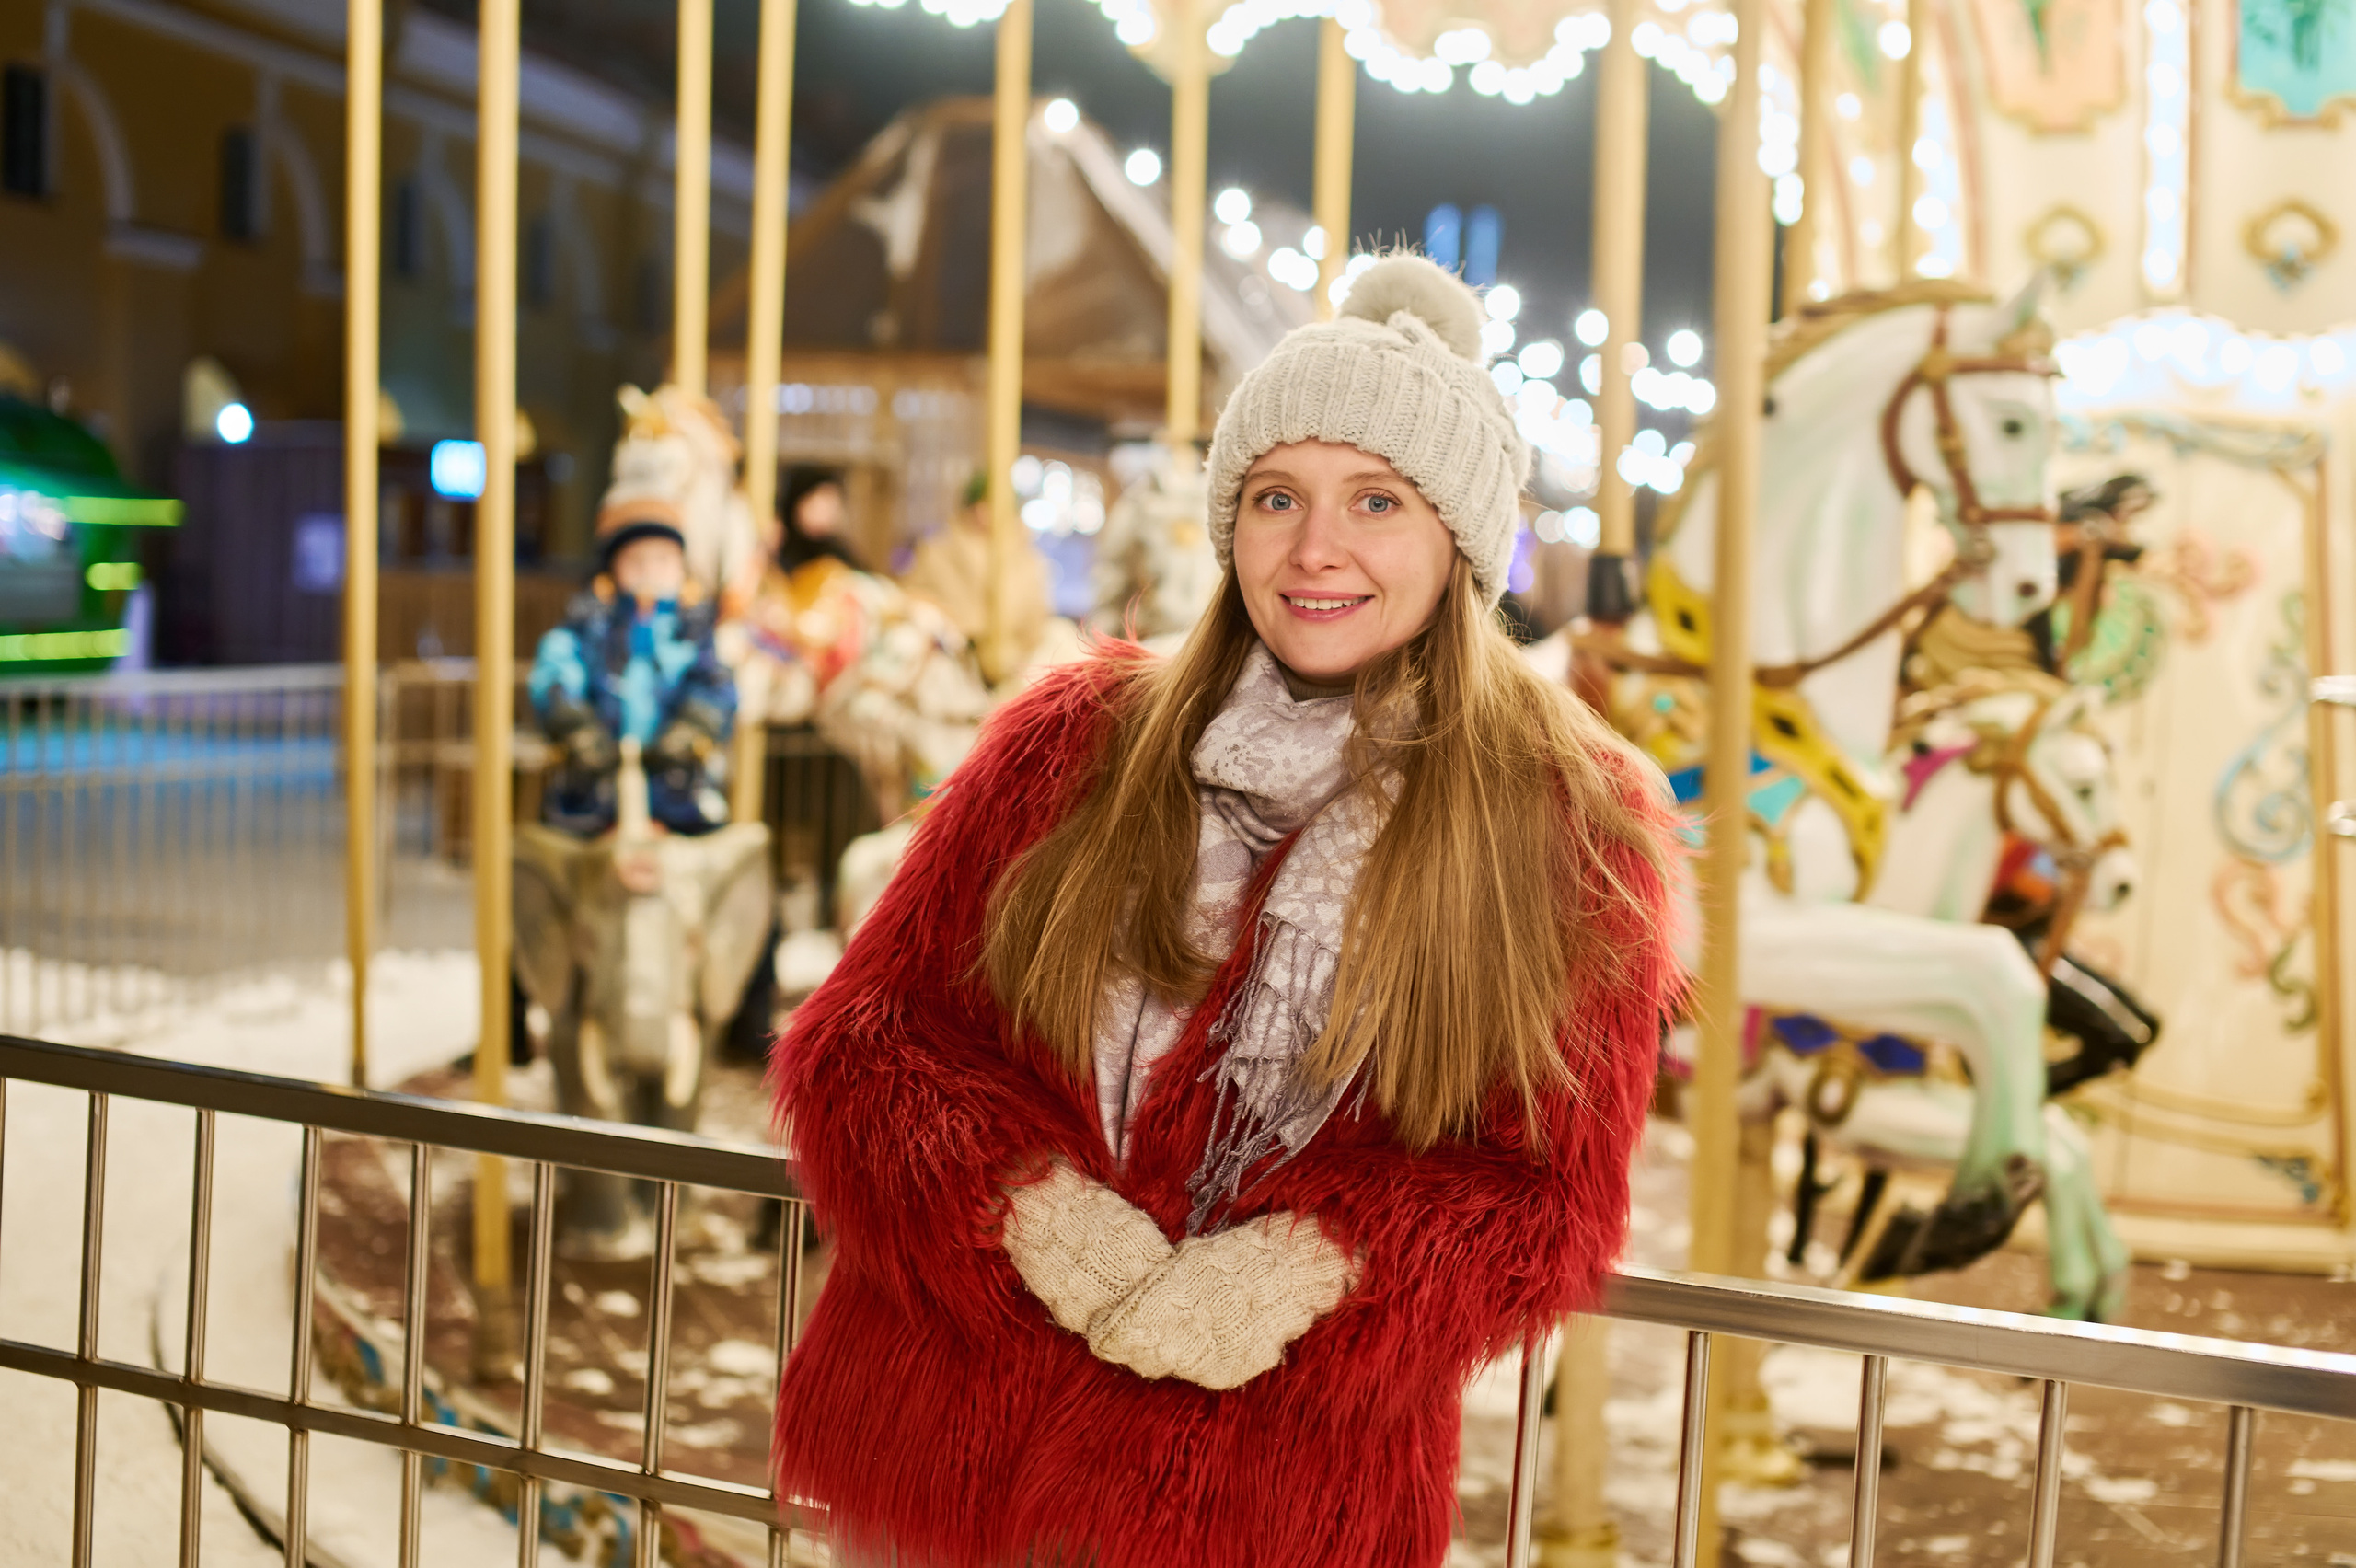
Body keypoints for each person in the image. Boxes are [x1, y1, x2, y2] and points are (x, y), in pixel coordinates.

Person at [768, 256, 1682, 1567]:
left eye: (1377, 500)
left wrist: (1309, 1271)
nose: (1317, 548)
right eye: (1275, 497)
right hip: (959, 1453)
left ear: (1460, 539)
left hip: (1262, 1496)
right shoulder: (1071, 742)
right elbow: (862, 1043)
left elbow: (1547, 1199)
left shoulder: (1567, 827)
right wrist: (1024, 1206)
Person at [529, 503, 736, 836]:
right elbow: (555, 672)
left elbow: (715, 685)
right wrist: (574, 725)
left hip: (679, 794)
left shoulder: (695, 630)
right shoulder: (588, 624)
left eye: (663, 560)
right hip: (595, 791)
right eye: (636, 560)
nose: (650, 571)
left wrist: (693, 728)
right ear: (612, 569)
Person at [901, 469, 1052, 660]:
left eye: (991, 505)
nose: (983, 512)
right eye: (979, 504)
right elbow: (913, 598)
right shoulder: (938, 551)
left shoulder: (1028, 562)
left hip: (1011, 659)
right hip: (950, 655)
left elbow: (1035, 623)